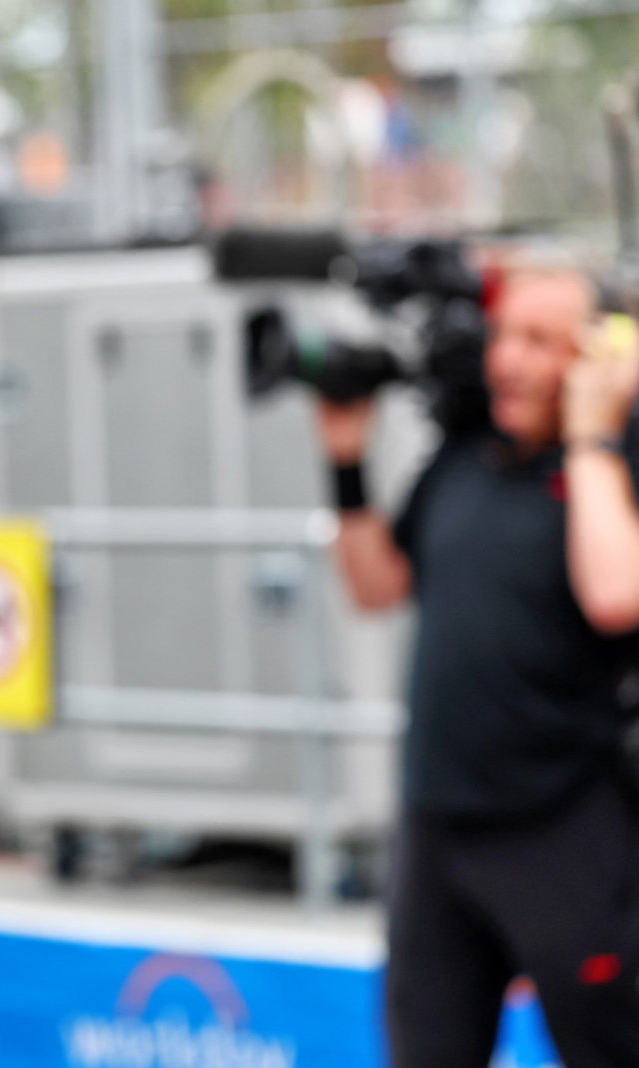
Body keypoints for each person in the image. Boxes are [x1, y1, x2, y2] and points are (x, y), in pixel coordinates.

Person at [317, 261, 639, 1067]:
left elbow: (615, 593)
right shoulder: (463, 458)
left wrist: (594, 436)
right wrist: (346, 463)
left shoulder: (611, 470)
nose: (506, 361)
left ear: (598, 356)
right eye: (503, 336)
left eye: (539, 340)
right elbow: (374, 585)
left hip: (563, 827)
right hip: (437, 832)